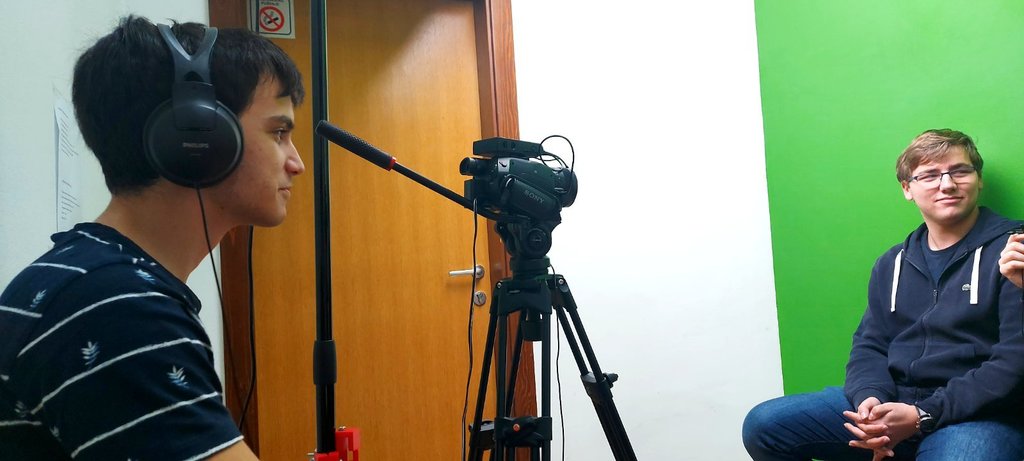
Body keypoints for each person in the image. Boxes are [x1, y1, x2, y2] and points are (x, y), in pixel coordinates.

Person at [0, 16, 304, 460]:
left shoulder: (89, 279)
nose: (296, 163)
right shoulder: (119, 309)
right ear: (198, 135)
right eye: (278, 132)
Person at [742, 129, 1024, 460]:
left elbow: (1014, 360)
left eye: (960, 171)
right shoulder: (892, 263)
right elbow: (870, 345)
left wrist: (922, 415)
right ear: (907, 188)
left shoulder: (1015, 251)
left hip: (979, 415)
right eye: (929, 175)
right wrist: (869, 402)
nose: (947, 184)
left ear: (979, 180)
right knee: (765, 425)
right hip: (895, 401)